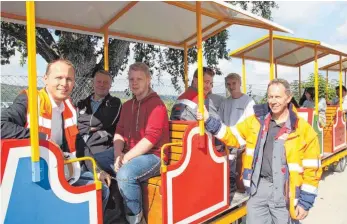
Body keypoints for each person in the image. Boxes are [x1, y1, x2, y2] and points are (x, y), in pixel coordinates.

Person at [197, 78, 322, 223]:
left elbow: (312, 169)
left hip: (284, 192)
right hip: (258, 189)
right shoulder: (255, 122)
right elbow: (232, 136)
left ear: (288, 98)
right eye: (270, 97)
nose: (273, 101)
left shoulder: (303, 129)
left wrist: (305, 203)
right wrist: (208, 120)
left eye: (277, 97)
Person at [0, 59, 110, 211]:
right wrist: (43, 139)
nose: (64, 83)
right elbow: (2, 125)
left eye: (69, 79)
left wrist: (98, 171)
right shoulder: (30, 99)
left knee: (101, 188)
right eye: (58, 77)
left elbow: (78, 143)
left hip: (60, 172)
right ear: (45, 79)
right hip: (32, 176)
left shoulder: (69, 107)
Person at [113, 62, 169, 224]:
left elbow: (151, 139)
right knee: (97, 159)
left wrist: (125, 158)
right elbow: (119, 132)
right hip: (131, 153)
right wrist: (118, 155)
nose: (134, 83)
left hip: (154, 156)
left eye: (139, 79)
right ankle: (114, 213)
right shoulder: (127, 105)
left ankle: (136, 219)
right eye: (131, 79)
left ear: (148, 80)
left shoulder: (157, 105)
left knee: (125, 174)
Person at [76, 70, 122, 173]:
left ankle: (101, 187)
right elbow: (75, 124)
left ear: (110, 85)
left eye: (105, 82)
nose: (102, 85)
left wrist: (83, 126)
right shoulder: (81, 103)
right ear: (93, 83)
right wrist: (89, 128)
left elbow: (104, 122)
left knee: (85, 167)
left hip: (100, 147)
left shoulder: (114, 103)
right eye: (99, 81)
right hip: (80, 146)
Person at [218, 73, 255, 193]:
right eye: (228, 84)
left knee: (239, 175)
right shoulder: (225, 102)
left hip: (241, 145)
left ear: (240, 83)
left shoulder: (248, 102)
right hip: (227, 141)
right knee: (227, 173)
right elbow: (221, 121)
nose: (231, 86)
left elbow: (251, 125)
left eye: (234, 83)